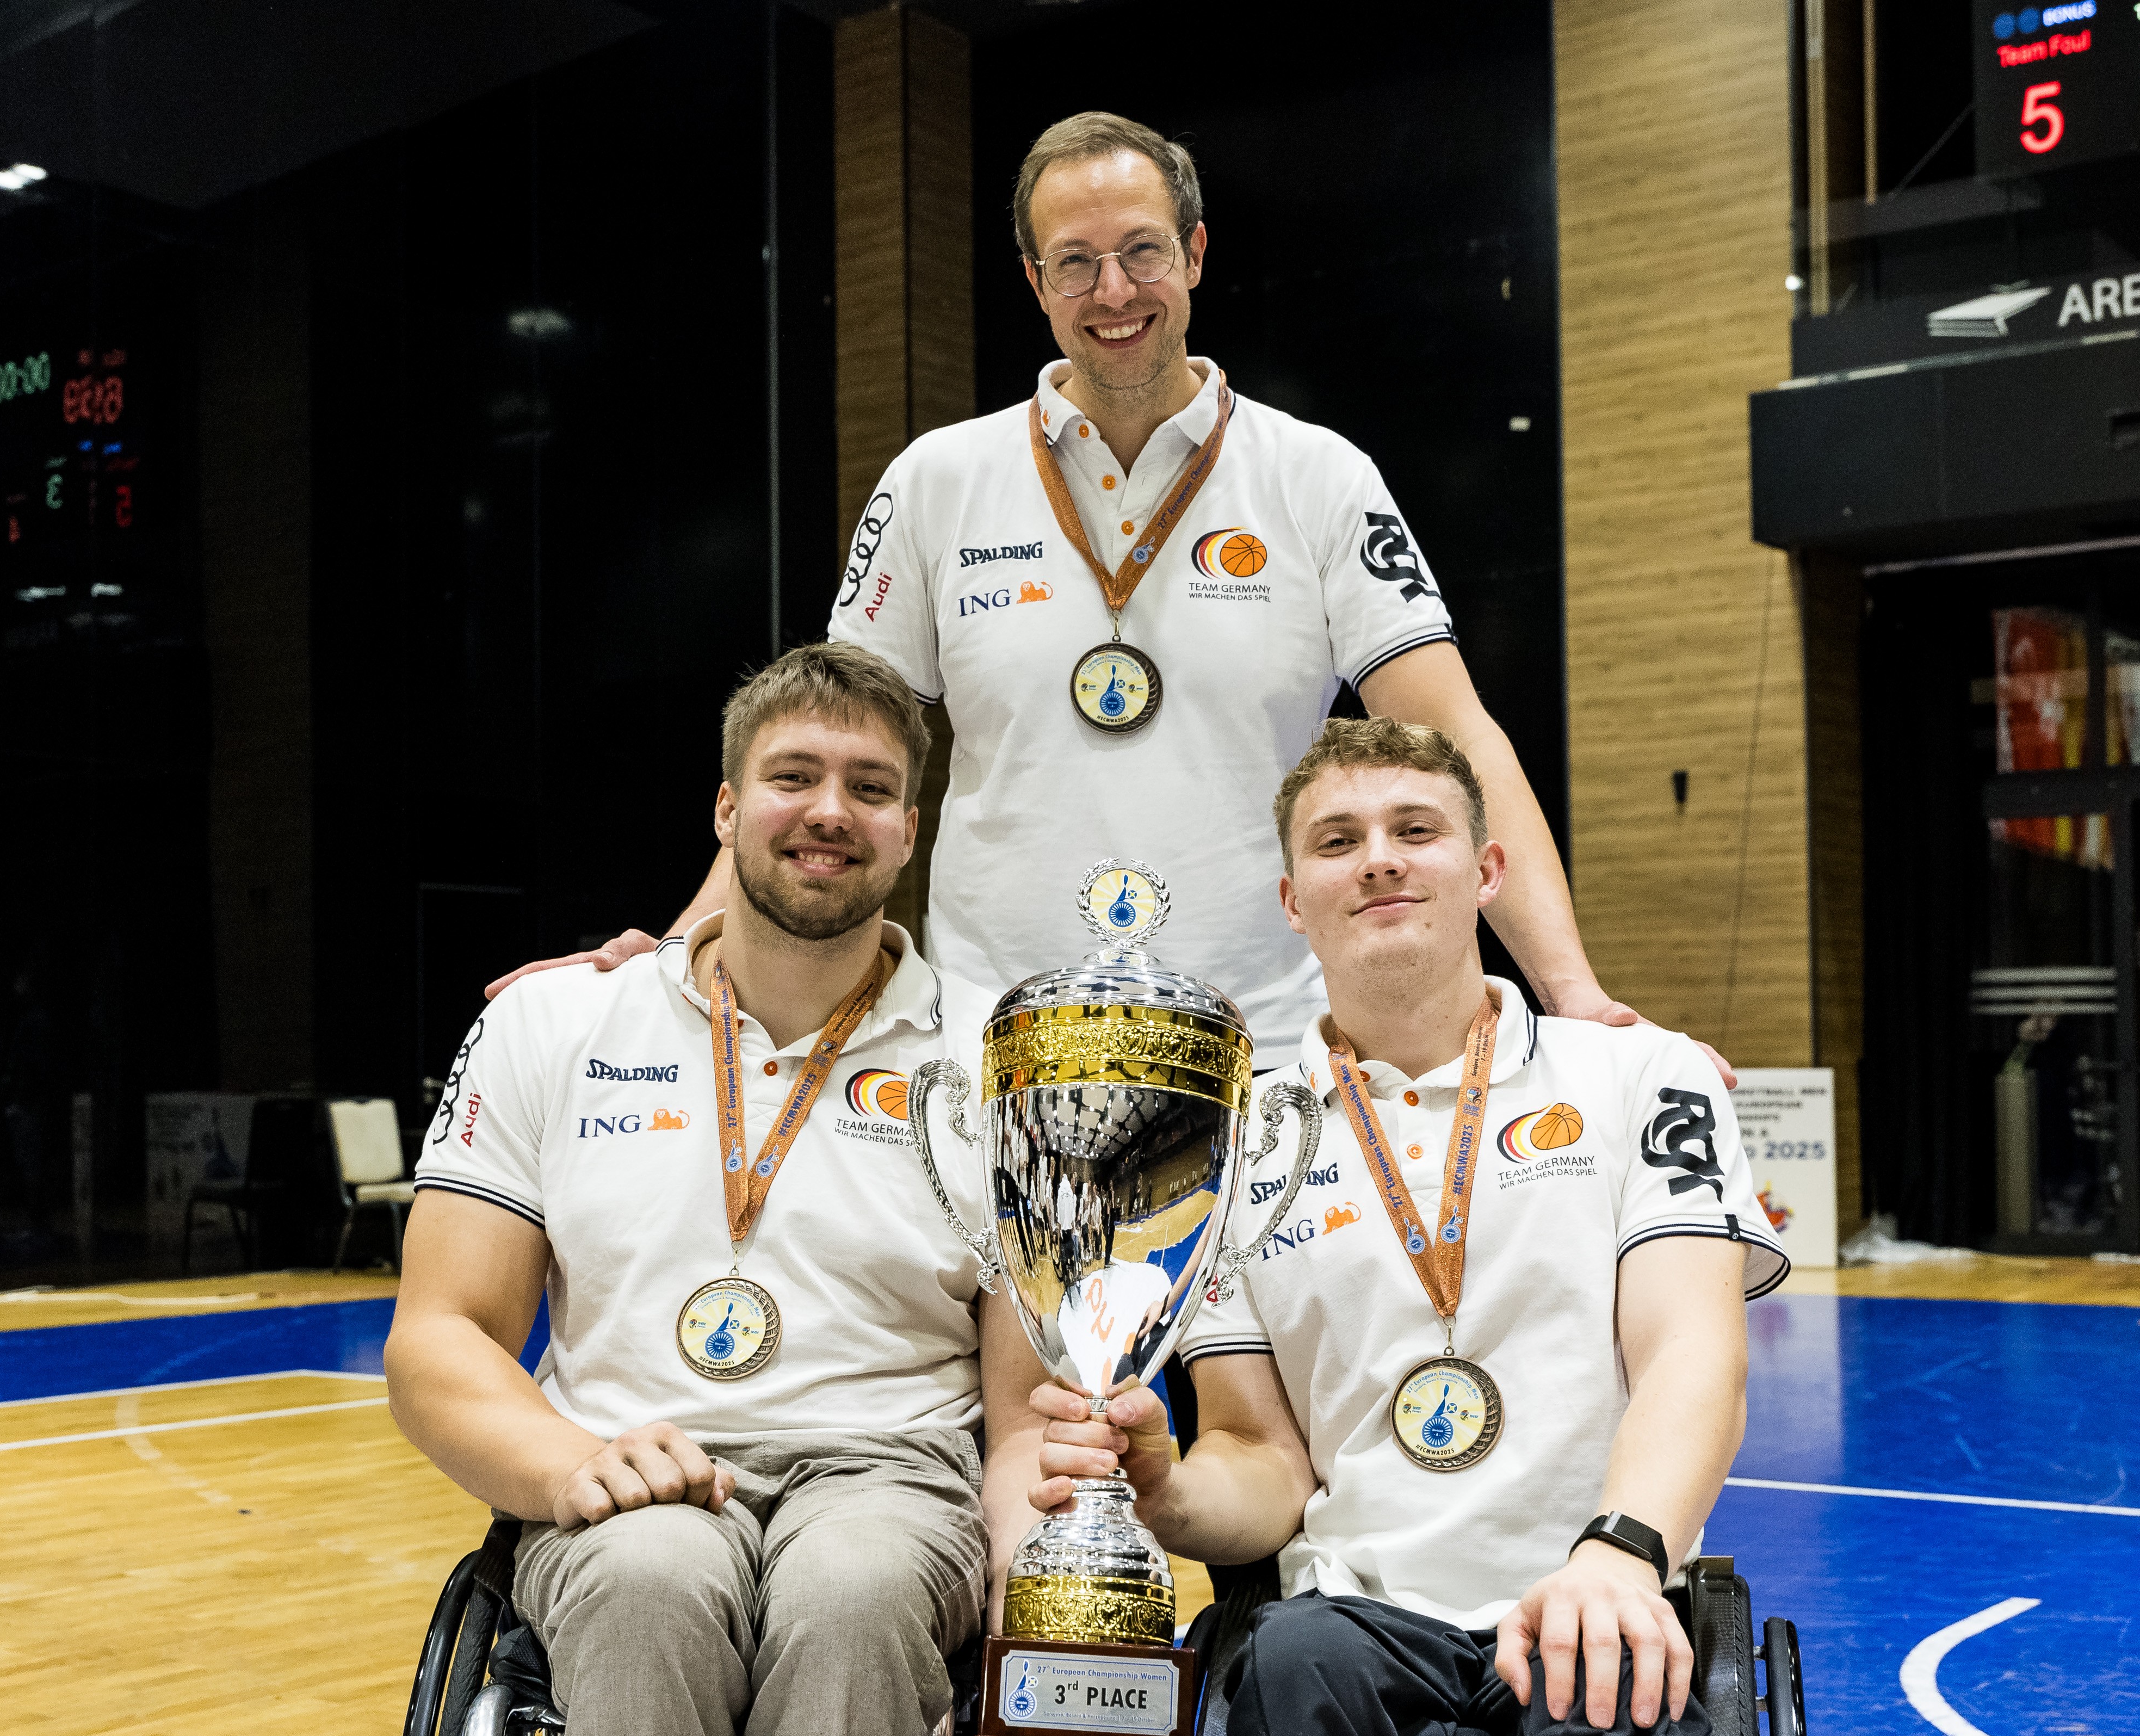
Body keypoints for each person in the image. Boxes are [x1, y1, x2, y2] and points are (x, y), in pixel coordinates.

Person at [490, 112, 1713, 1083]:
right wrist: (684, 942)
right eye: (1074, 261)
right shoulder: (936, 481)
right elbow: (823, 760)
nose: (1113, 289)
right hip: (994, 1046)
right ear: (1035, 280)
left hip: (1266, 1049)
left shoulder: (1317, 476)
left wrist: (1572, 990)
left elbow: (1457, 738)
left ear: (1195, 254)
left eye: (1140, 251)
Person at [999, 717, 1785, 1736]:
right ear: (1292, 900)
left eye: (1416, 830)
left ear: (1486, 870)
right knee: (1289, 1660)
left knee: (1610, 1678)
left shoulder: (1640, 1073)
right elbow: (1262, 1457)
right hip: (1353, 1617)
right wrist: (1165, 1487)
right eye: (1338, 840)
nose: (1378, 858)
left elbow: (1693, 1353)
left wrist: (1620, 1552)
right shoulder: (1235, 1142)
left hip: (1596, 1580)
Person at [385, 644, 1050, 1736]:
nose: (830, 811)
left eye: (871, 787)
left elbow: (1024, 1412)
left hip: (893, 1475)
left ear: (909, 832)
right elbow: (441, 1337)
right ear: (728, 809)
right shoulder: (556, 1023)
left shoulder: (1005, 1057)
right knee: (648, 1581)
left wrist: (1043, 1608)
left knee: (851, 1593)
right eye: (794, 776)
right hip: (628, 1461)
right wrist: (571, 1463)